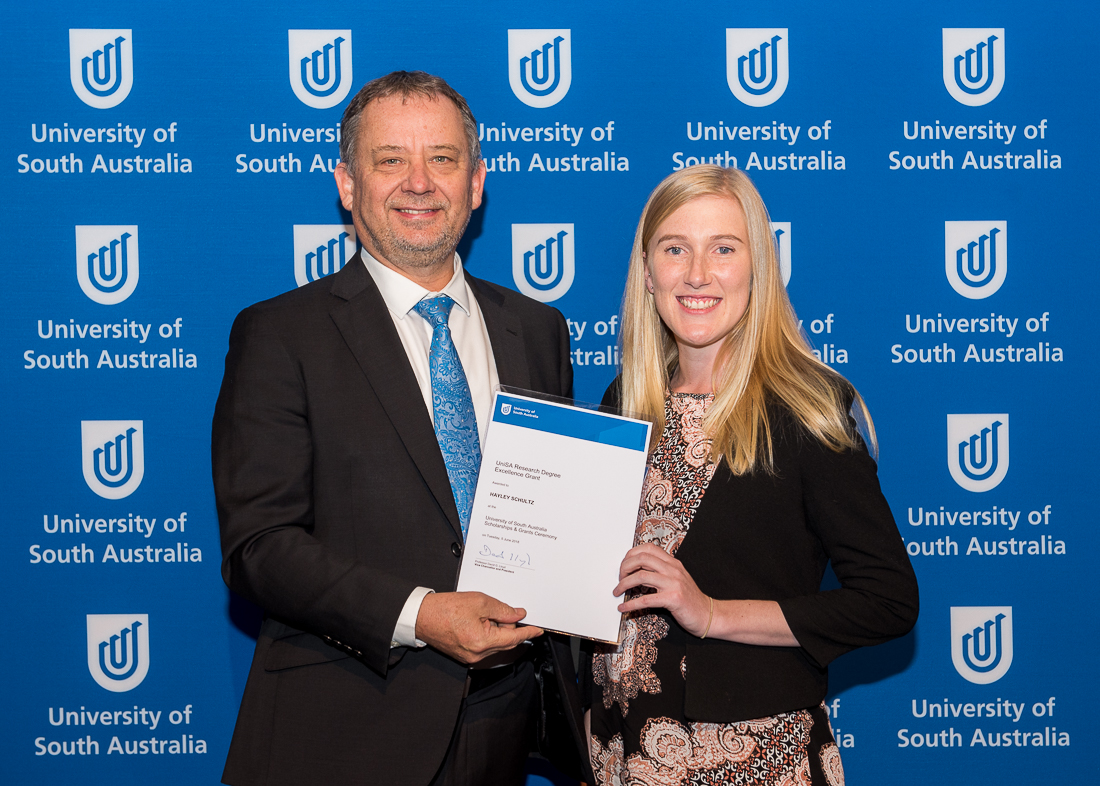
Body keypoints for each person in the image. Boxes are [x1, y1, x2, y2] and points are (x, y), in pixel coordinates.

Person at [212, 71, 575, 786]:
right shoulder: (279, 334)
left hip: (504, 728)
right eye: (390, 160)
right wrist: (422, 614)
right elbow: (260, 546)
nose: (419, 183)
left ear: (476, 183)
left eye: (442, 159)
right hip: (343, 732)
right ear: (347, 183)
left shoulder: (537, 329)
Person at [588, 165, 919, 785]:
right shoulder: (626, 403)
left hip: (755, 759)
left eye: (723, 249)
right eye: (674, 249)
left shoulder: (806, 406)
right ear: (648, 270)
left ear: (757, 267)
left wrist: (712, 613)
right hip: (621, 751)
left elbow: (888, 601)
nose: (697, 274)